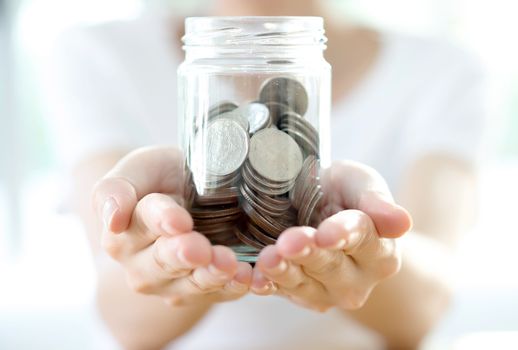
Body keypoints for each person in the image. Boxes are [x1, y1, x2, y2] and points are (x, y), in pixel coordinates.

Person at [44, 0, 487, 349]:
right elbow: (123, 318)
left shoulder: (444, 69)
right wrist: (171, 250)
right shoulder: (96, 53)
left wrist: (369, 239)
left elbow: (425, 308)